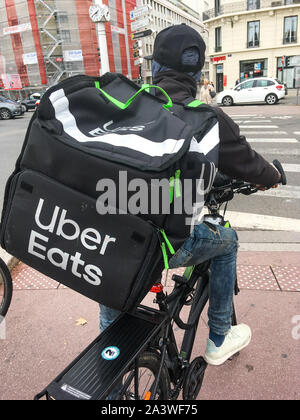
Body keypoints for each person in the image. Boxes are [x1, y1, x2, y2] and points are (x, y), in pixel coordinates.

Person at [99, 24, 281, 368]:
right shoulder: (206, 117)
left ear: (155, 69)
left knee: (115, 275)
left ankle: (109, 356)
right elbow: (251, 165)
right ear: (198, 72)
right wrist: (270, 179)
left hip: (112, 234)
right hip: (167, 241)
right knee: (226, 241)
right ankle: (219, 337)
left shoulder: (126, 105)